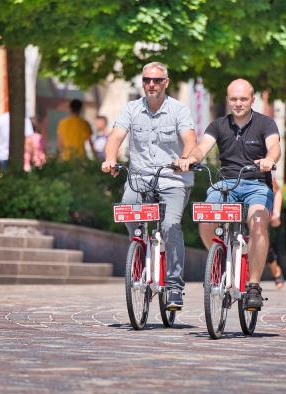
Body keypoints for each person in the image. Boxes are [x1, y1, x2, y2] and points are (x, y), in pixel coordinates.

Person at [176, 78, 281, 311]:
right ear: (228, 100)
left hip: (256, 184)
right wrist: (190, 159)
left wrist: (269, 160)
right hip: (226, 184)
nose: (238, 103)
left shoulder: (266, 124)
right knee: (205, 219)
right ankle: (220, 260)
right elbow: (202, 148)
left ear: (252, 100)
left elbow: (274, 147)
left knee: (257, 223)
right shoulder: (218, 125)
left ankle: (253, 285)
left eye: (243, 99)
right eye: (234, 99)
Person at [101, 62, 197, 310]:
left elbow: (189, 139)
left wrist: (185, 159)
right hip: (140, 177)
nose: (151, 85)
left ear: (166, 82)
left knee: (170, 225)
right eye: (146, 80)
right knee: (126, 207)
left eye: (156, 80)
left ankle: (174, 285)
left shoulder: (179, 110)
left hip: (173, 179)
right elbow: (115, 138)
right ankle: (139, 253)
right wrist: (110, 159)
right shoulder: (131, 109)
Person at [268, 176, 285, 289]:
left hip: (262, 213)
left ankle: (276, 272)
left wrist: (276, 214)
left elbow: (277, 191)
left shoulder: (266, 173)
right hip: (243, 211)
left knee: (264, 247)